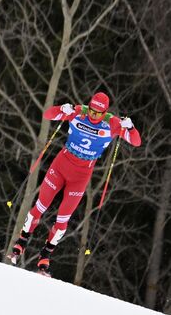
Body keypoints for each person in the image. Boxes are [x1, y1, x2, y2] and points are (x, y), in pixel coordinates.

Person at [8, 92, 141, 276]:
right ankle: (21, 242)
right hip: (60, 166)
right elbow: (48, 114)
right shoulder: (79, 112)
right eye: (92, 112)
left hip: (80, 177)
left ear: (105, 113)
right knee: (41, 205)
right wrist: (62, 109)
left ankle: (44, 258)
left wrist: (131, 128)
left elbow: (136, 142)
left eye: (98, 114)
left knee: (63, 220)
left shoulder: (113, 123)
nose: (93, 116)